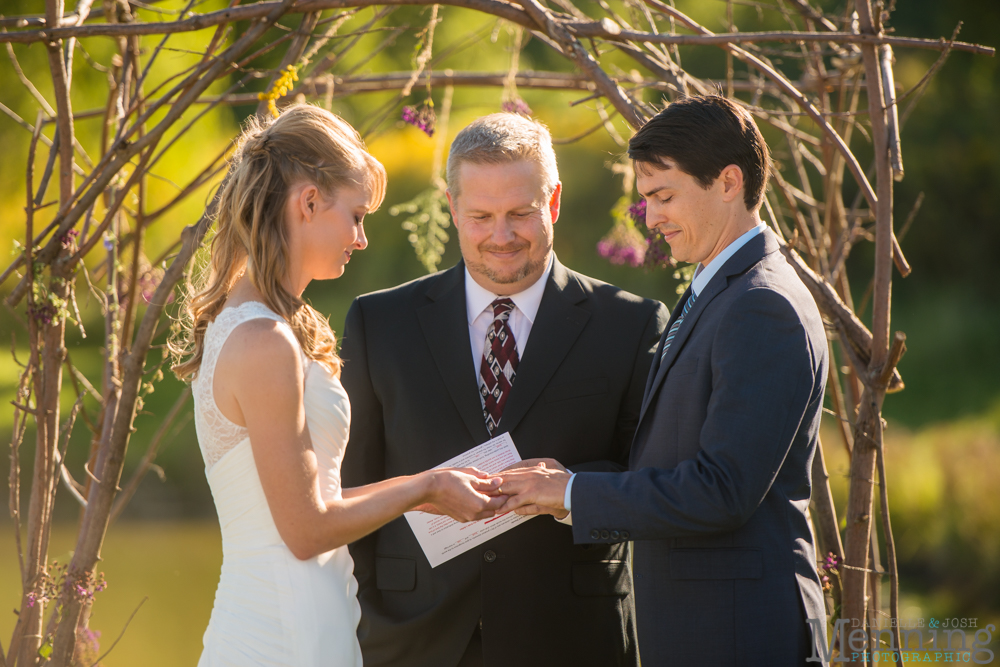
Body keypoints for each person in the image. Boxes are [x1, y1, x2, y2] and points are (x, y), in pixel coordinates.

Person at [496, 95, 831, 665]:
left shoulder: (762, 305)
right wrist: (563, 480)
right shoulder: (718, 286)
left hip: (741, 636)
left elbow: (722, 489)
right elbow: (674, 456)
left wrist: (575, 494)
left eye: (664, 197)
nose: (650, 219)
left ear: (729, 182)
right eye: (647, 200)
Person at [172, 104, 505, 667]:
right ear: (307, 203)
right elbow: (305, 530)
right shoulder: (263, 340)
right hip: (280, 634)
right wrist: (425, 487)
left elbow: (311, 503)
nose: (362, 238)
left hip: (304, 616)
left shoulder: (259, 325)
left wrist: (433, 486)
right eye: (356, 215)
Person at [339, 112, 668, 667]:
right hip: (413, 638)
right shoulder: (379, 322)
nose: (501, 236)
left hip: (572, 637)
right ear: (451, 208)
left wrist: (568, 491)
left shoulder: (632, 325)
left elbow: (654, 481)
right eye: (481, 217)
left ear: (554, 201)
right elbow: (354, 483)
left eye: (520, 213)